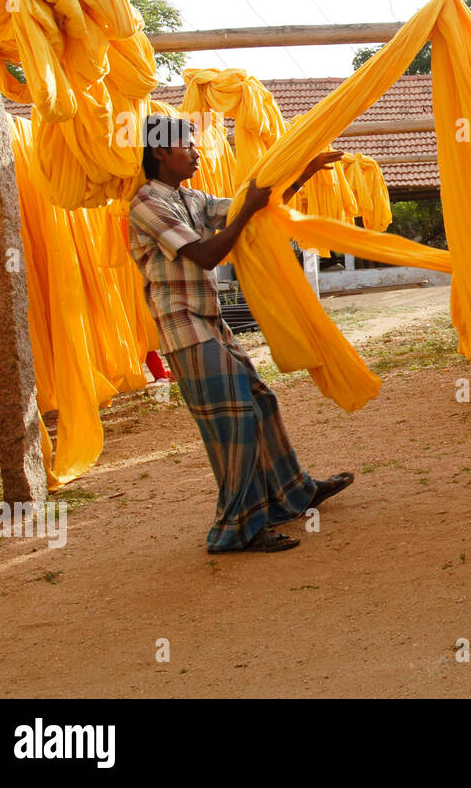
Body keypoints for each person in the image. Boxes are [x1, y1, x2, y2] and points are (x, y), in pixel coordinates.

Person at [128, 113, 353, 553]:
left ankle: (293, 494)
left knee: (261, 402)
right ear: (159, 152)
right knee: (234, 420)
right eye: (187, 146)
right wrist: (247, 207)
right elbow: (208, 254)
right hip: (184, 328)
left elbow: (252, 205)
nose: (196, 154)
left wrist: (302, 171)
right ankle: (237, 529)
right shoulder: (146, 205)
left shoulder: (188, 198)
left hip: (209, 319)